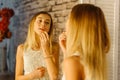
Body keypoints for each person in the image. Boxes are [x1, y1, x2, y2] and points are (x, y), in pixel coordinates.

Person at [59, 4, 110, 80]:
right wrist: (66, 53)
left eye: (69, 18)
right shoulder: (96, 61)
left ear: (77, 26)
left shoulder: (72, 62)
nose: (66, 23)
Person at [15, 11, 59, 80]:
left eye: (47, 22)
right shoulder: (22, 48)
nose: (43, 24)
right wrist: (32, 75)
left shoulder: (54, 47)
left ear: (49, 28)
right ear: (33, 24)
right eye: (40, 20)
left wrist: (46, 49)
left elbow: (54, 77)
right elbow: (17, 78)